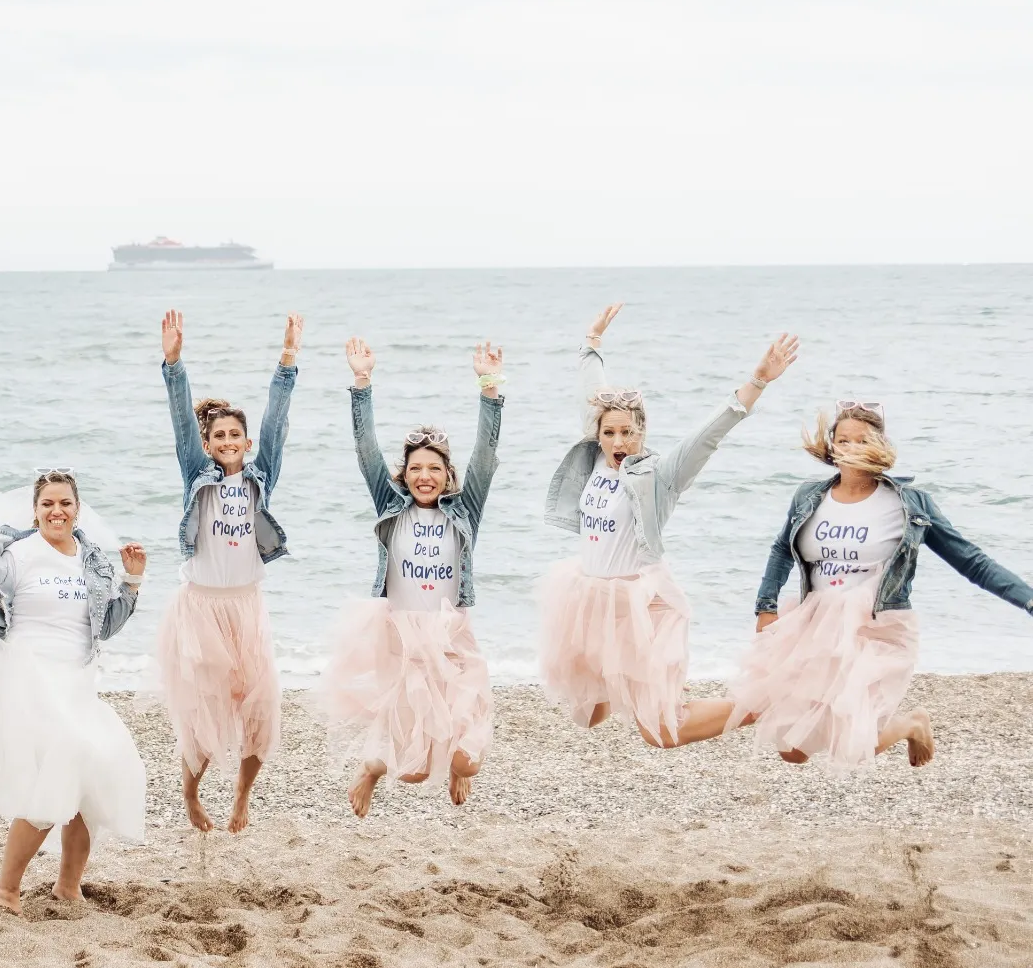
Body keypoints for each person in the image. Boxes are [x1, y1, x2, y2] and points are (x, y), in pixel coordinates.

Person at [538, 303, 798, 747]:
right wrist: (591, 343)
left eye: (628, 433)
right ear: (597, 434)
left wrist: (758, 380)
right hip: (591, 601)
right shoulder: (595, 457)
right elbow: (591, 390)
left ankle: (766, 703)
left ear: (641, 431)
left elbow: (709, 434)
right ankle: (643, 684)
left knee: (660, 732)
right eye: (609, 433)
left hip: (644, 607)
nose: (618, 442)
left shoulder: (659, 474)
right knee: (586, 713)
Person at [727, 400, 1033, 770]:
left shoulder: (908, 504)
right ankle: (900, 724)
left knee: (850, 743)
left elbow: (972, 562)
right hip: (815, 627)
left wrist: (1027, 600)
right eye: (843, 440)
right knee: (792, 750)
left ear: (879, 445)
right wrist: (766, 605)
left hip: (878, 628)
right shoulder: (810, 497)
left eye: (861, 440)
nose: (851, 449)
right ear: (831, 446)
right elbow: (782, 550)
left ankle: (910, 724)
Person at [0, 471, 149, 911]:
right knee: (58, 770)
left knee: (97, 773)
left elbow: (105, 626)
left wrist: (132, 582)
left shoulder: (91, 560)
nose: (57, 511)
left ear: (77, 509)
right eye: (48, 504)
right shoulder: (15, 555)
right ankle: (6, 887)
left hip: (76, 683)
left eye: (65, 503)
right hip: (29, 678)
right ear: (34, 511)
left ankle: (68, 886)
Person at [325, 338, 503, 816]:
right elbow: (366, 453)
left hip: (451, 636)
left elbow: (486, 455)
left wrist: (489, 388)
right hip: (401, 635)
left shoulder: (465, 511)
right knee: (412, 768)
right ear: (403, 475)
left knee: (466, 761)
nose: (425, 476)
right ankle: (370, 770)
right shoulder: (391, 507)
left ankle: (459, 771)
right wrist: (362, 383)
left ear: (448, 474)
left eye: (435, 468)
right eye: (416, 468)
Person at [155, 309, 301, 833]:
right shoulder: (198, 475)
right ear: (208, 442)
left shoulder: (261, 478)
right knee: (205, 715)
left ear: (244, 439)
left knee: (259, 711)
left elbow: (277, 422)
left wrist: (288, 359)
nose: (227, 441)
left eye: (235, 433)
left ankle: (242, 798)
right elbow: (179, 422)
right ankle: (191, 793)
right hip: (200, 609)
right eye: (217, 435)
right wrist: (173, 362)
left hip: (247, 607)